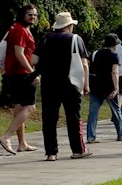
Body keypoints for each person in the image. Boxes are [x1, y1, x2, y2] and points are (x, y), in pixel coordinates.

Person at [38, 11, 91, 161]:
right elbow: (84, 64)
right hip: (70, 83)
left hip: (49, 84)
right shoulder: (75, 39)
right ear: (69, 26)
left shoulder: (46, 39)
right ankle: (78, 150)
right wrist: (86, 84)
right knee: (73, 117)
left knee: (49, 118)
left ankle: (51, 152)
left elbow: (34, 59)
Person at [0, 3, 40, 154]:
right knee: (30, 107)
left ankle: (22, 143)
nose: (33, 17)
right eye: (30, 14)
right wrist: (32, 72)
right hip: (22, 74)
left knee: (19, 108)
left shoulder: (16, 28)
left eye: (34, 14)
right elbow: (19, 54)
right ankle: (6, 137)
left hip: (12, 74)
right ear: (23, 15)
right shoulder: (21, 30)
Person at [86, 32, 122, 144]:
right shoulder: (114, 55)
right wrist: (116, 87)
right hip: (109, 86)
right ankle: (121, 134)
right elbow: (114, 72)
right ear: (115, 44)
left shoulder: (95, 53)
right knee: (116, 111)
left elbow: (87, 65)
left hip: (95, 86)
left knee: (93, 112)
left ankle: (91, 136)